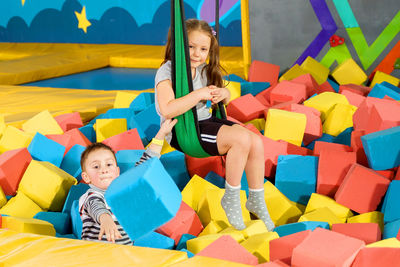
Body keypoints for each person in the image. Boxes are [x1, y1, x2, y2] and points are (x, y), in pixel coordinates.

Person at [154, 19, 275, 231]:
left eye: (203, 49)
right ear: (178, 44)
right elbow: (167, 109)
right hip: (185, 131)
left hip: (206, 122)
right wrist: (198, 94)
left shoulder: (203, 69)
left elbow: (222, 97)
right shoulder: (168, 71)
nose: (196, 54)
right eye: (190, 47)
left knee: (255, 141)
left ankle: (256, 197)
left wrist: (224, 94)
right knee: (240, 139)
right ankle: (231, 196)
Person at [78, 118, 177, 244]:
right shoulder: (90, 196)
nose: (104, 170)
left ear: (117, 171)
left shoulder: (124, 191)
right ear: (86, 177)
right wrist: (105, 219)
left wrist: (161, 134)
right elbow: (96, 206)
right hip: (97, 256)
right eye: (96, 166)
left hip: (123, 254)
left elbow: (146, 166)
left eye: (109, 164)